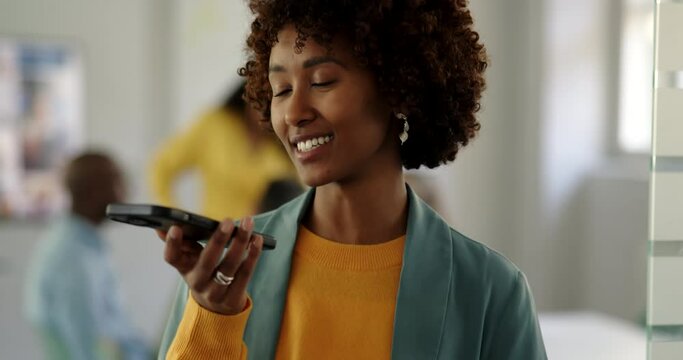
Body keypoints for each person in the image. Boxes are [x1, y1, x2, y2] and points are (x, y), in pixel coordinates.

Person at [157, 0, 547, 359]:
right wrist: (212, 319)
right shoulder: (225, 272)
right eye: (281, 89)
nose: (293, 113)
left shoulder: (491, 291)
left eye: (322, 81)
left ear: (399, 87)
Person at [24, 152, 150, 360]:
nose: (125, 190)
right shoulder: (72, 259)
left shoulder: (82, 245)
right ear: (93, 191)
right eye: (117, 181)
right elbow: (84, 348)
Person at [148, 81, 294, 220]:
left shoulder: (285, 143)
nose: (266, 108)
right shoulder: (215, 125)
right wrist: (174, 218)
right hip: (211, 238)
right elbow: (162, 166)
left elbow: (300, 200)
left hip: (262, 241)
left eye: (276, 99)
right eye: (262, 97)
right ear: (248, 93)